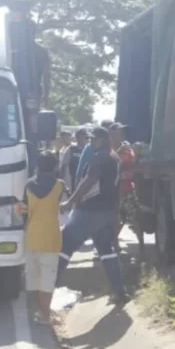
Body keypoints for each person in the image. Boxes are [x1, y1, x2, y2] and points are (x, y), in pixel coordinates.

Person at [58, 126, 127, 304]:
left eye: (93, 139)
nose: (90, 142)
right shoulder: (115, 157)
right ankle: (119, 292)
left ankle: (47, 289)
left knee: (64, 245)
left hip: (89, 211)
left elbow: (88, 181)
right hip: (107, 212)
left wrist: (70, 202)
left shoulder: (100, 158)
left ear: (102, 140)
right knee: (106, 251)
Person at [24, 151, 66, 325]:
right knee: (47, 278)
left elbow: (23, 210)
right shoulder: (60, 186)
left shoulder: (28, 185)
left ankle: (34, 312)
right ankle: (45, 315)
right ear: (55, 166)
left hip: (31, 236)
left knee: (32, 276)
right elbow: (64, 207)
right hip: (51, 238)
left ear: (38, 166)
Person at [109, 122, 146, 253]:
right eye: (120, 132)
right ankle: (114, 244)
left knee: (136, 217)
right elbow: (108, 162)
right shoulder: (108, 148)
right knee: (116, 220)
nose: (122, 134)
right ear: (112, 134)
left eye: (123, 132)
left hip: (128, 188)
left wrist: (136, 153)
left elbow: (133, 164)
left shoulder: (127, 147)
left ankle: (142, 246)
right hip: (114, 191)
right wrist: (118, 152)